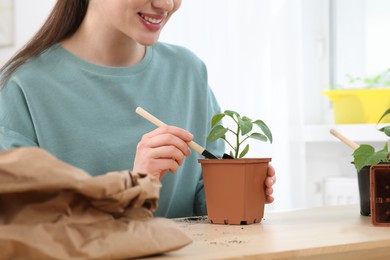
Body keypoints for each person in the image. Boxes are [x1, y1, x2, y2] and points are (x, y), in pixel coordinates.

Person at [0, 0, 275, 218]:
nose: (167, 4)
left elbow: (206, 204)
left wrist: (240, 189)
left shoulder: (188, 72)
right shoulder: (23, 87)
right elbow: (25, 229)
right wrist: (134, 186)